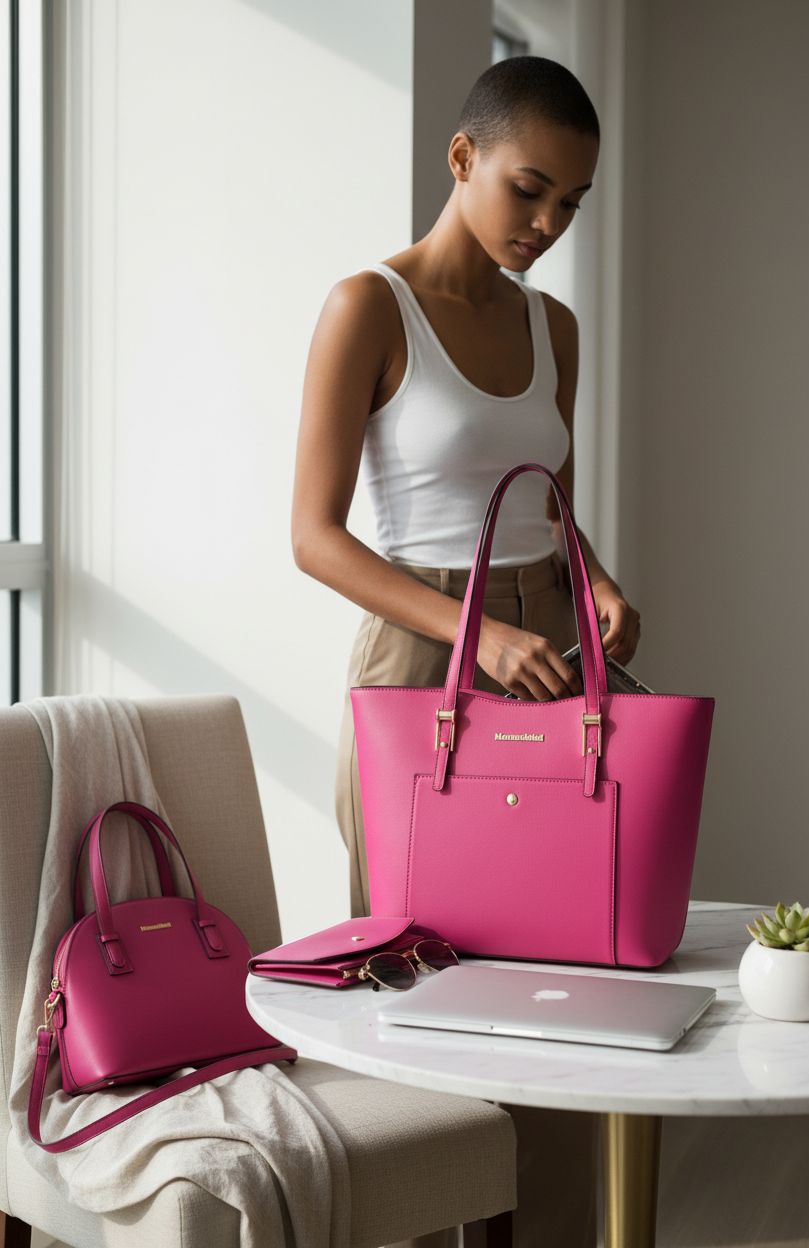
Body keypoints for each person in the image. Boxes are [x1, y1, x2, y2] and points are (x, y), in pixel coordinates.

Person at [291, 54, 641, 1248]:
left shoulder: (557, 329)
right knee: (414, 979)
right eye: (528, 191)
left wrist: (589, 580)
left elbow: (544, 497)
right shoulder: (367, 307)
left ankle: (538, 1227)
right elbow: (312, 536)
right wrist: (479, 632)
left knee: (554, 968)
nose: (546, 226)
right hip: (420, 664)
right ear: (462, 159)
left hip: (542, 653)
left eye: (570, 205)